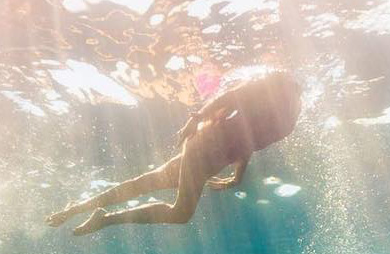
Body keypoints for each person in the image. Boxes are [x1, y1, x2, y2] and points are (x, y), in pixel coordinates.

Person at [46, 70, 301, 235]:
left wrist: (238, 175)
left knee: (141, 185)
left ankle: (77, 209)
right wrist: (197, 117)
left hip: (207, 156)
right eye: (290, 91)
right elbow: (230, 98)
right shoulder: (269, 101)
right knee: (181, 213)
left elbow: (249, 143)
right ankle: (105, 219)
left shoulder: (284, 123)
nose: (293, 98)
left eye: (294, 94)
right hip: (204, 150)